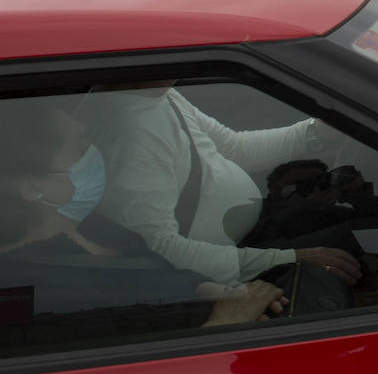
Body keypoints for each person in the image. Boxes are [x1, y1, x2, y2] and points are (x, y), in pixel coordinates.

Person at [0, 101, 287, 350]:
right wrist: (226, 323)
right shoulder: (25, 294)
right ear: (31, 186)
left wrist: (208, 289)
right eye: (81, 147)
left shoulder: (99, 228)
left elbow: (156, 276)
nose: (95, 155)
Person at [77, 83, 363, 288]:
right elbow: (164, 248)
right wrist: (291, 258)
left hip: (246, 242)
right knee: (344, 248)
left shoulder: (156, 92)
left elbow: (232, 148)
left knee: (337, 227)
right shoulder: (133, 136)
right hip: (221, 272)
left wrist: (314, 133)